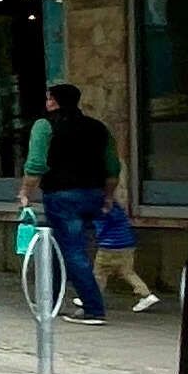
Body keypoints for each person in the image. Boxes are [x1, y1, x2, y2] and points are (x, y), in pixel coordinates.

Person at [20, 81, 121, 323]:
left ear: (53, 101)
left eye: (48, 99)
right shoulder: (98, 128)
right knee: (58, 245)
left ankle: (93, 308)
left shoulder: (45, 126)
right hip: (93, 194)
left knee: (73, 250)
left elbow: (36, 164)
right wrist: (108, 196)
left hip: (62, 195)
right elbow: (113, 167)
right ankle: (50, 299)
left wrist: (25, 192)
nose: (46, 103)